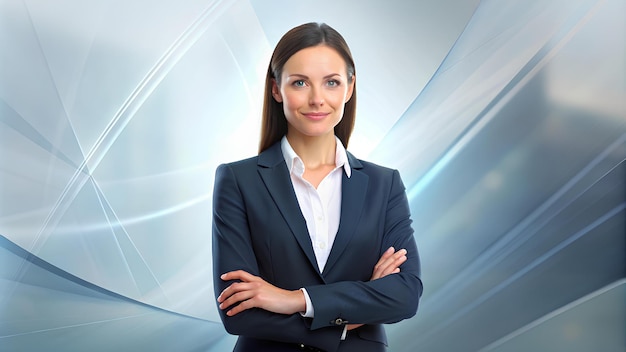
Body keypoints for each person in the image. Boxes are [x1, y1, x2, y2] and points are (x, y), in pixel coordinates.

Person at [212, 22, 423, 352]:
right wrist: (352, 313)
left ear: (349, 88)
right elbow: (237, 311)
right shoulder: (238, 181)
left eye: (331, 83)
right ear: (276, 89)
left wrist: (294, 299)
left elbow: (405, 295)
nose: (317, 99)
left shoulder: (385, 184)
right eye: (299, 82)